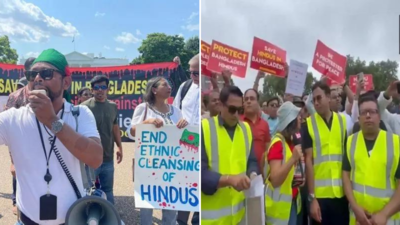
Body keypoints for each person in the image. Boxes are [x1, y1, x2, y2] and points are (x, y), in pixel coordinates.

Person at [0, 48, 103, 225]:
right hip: (27, 221)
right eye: (33, 74)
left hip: (71, 220)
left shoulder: (80, 114)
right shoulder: (13, 118)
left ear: (66, 82)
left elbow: (95, 158)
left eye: (46, 73)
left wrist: (52, 121)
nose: (38, 78)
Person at [129, 76, 189, 225]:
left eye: (170, 85)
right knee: (147, 207)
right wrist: (147, 122)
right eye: (165, 85)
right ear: (154, 90)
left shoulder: (176, 111)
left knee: (170, 208)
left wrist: (185, 126)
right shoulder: (143, 109)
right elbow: (131, 132)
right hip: (149, 165)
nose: (169, 87)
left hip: (171, 167)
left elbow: (185, 140)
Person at [201, 85, 259, 225]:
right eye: (232, 109)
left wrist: (253, 175)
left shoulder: (246, 129)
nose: (236, 115)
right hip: (212, 220)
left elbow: (251, 161)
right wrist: (229, 180)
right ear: (221, 105)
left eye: (240, 110)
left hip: (239, 216)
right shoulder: (204, 128)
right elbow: (200, 174)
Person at [343, 95, 400, 225]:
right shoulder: (351, 141)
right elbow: (345, 176)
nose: (368, 115)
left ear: (379, 117)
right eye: (363, 112)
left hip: (387, 220)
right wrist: (355, 207)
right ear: (358, 119)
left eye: (372, 112)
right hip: (358, 219)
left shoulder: (396, 143)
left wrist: (384, 214)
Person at [301, 81, 349, 225]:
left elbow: (346, 159)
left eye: (319, 98)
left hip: (341, 194)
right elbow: (308, 161)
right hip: (320, 197)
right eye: (314, 99)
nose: (316, 102)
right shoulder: (308, 125)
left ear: (328, 97)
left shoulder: (342, 121)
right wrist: (312, 198)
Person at [81, 75, 122, 205]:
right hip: (90, 159)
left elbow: (115, 128)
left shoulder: (113, 106)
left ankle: (110, 216)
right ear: (92, 90)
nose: (100, 90)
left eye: (103, 87)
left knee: (108, 189)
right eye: (97, 88)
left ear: (108, 89)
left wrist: (120, 147)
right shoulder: (84, 107)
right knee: (86, 190)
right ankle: (86, 215)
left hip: (108, 158)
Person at [265, 101, 304, 225]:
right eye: (297, 116)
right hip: (279, 211)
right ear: (290, 121)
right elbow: (275, 179)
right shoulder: (278, 143)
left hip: (290, 205)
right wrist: (293, 159)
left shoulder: (291, 141)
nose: (300, 119)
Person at [5, 57, 36, 216]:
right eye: (33, 72)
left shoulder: (54, 94)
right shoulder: (15, 97)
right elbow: (9, 130)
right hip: (21, 153)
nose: (37, 76)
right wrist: (13, 161)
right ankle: (16, 201)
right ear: (26, 73)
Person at [241, 88, 271, 172]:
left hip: (260, 174)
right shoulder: (238, 123)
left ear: (258, 102)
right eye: (246, 99)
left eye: (252, 98)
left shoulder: (264, 124)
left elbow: (267, 150)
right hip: (241, 174)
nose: (248, 101)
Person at [173, 54, 200, 126]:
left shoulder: (215, 91)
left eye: (196, 73)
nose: (191, 76)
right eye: (190, 72)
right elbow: (175, 111)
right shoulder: (185, 86)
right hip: (185, 135)